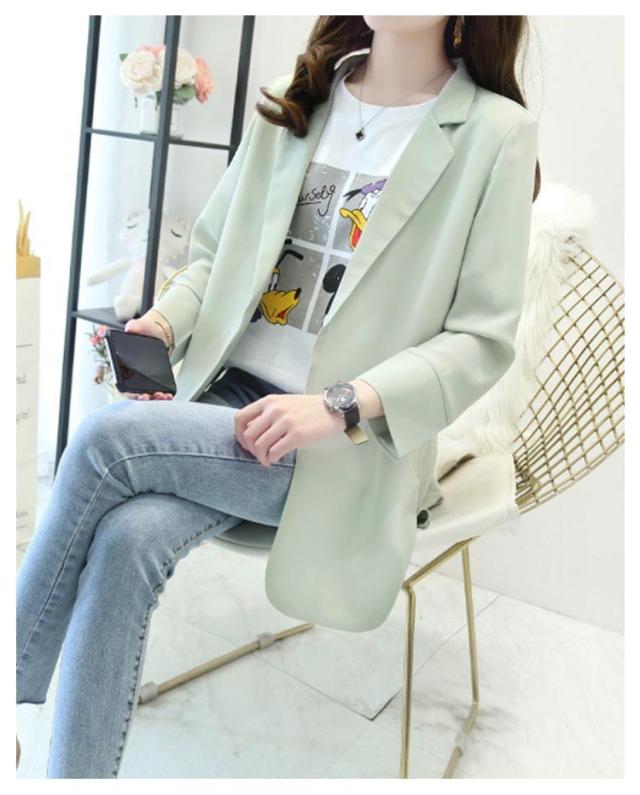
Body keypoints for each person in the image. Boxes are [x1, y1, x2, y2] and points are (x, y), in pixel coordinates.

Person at [16, 15, 540, 777]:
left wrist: (337, 405)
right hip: (226, 401)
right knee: (128, 538)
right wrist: (164, 323)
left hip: (342, 440)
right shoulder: (300, 97)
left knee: (104, 441)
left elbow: (480, 340)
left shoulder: (495, 134)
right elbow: (214, 255)